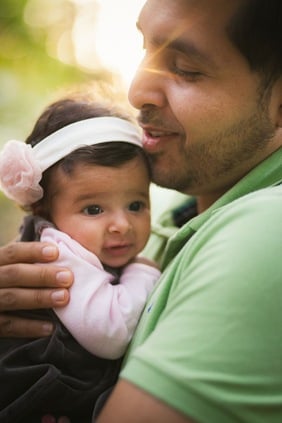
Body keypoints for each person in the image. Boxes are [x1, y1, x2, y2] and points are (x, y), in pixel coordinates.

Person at [0, 0, 282, 422]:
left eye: (186, 67)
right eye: (145, 47)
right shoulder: (171, 200)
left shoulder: (264, 233)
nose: (135, 91)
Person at [0, 96, 160, 422]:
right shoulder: (57, 253)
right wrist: (143, 273)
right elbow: (111, 332)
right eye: (93, 209)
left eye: (135, 205)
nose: (122, 225)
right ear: (44, 209)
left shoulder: (81, 242)